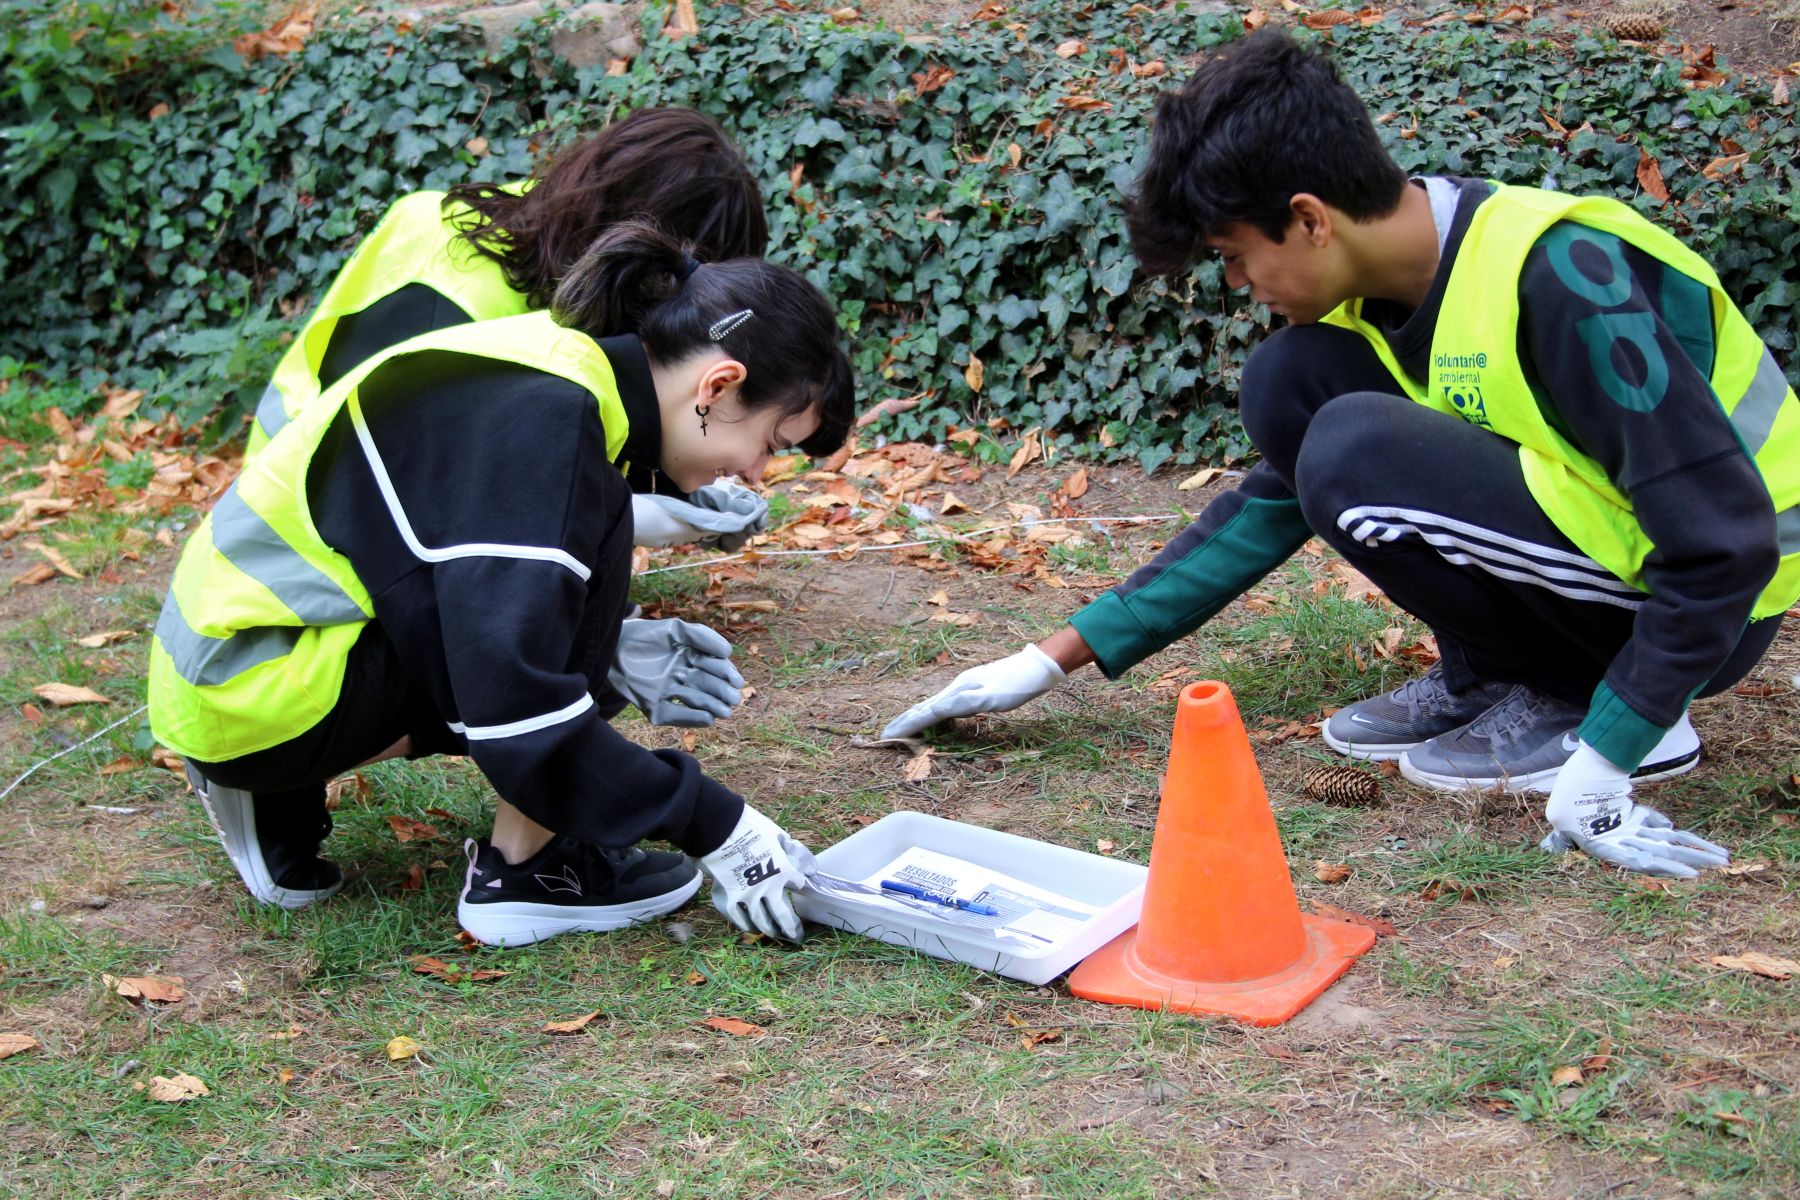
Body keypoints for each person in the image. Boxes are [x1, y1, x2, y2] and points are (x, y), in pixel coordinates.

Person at [884, 29, 1797, 879]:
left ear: (1311, 219)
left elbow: (1726, 545)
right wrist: (1048, 660)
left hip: (1710, 605)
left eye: (1235, 256)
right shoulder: (1376, 293)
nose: (1240, 286)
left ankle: (1593, 702)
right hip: (1611, 556)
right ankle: (1495, 674)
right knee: (1290, 382)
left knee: (1354, 442)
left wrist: (1611, 754)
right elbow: (1279, 496)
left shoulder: (1564, 276)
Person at [149, 222, 855, 944]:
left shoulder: (558, 367)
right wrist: (721, 827)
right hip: (252, 688)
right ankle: (529, 876)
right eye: (770, 443)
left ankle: (285, 787)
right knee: (572, 613)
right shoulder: (551, 425)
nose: (757, 472)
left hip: (237, 665)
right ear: (719, 384)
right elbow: (519, 715)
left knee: (589, 563)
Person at [249, 105, 775, 553]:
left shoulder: (559, 247)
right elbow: (411, 496)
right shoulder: (450, 292)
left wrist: (678, 489)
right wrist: (618, 524)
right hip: (298, 549)